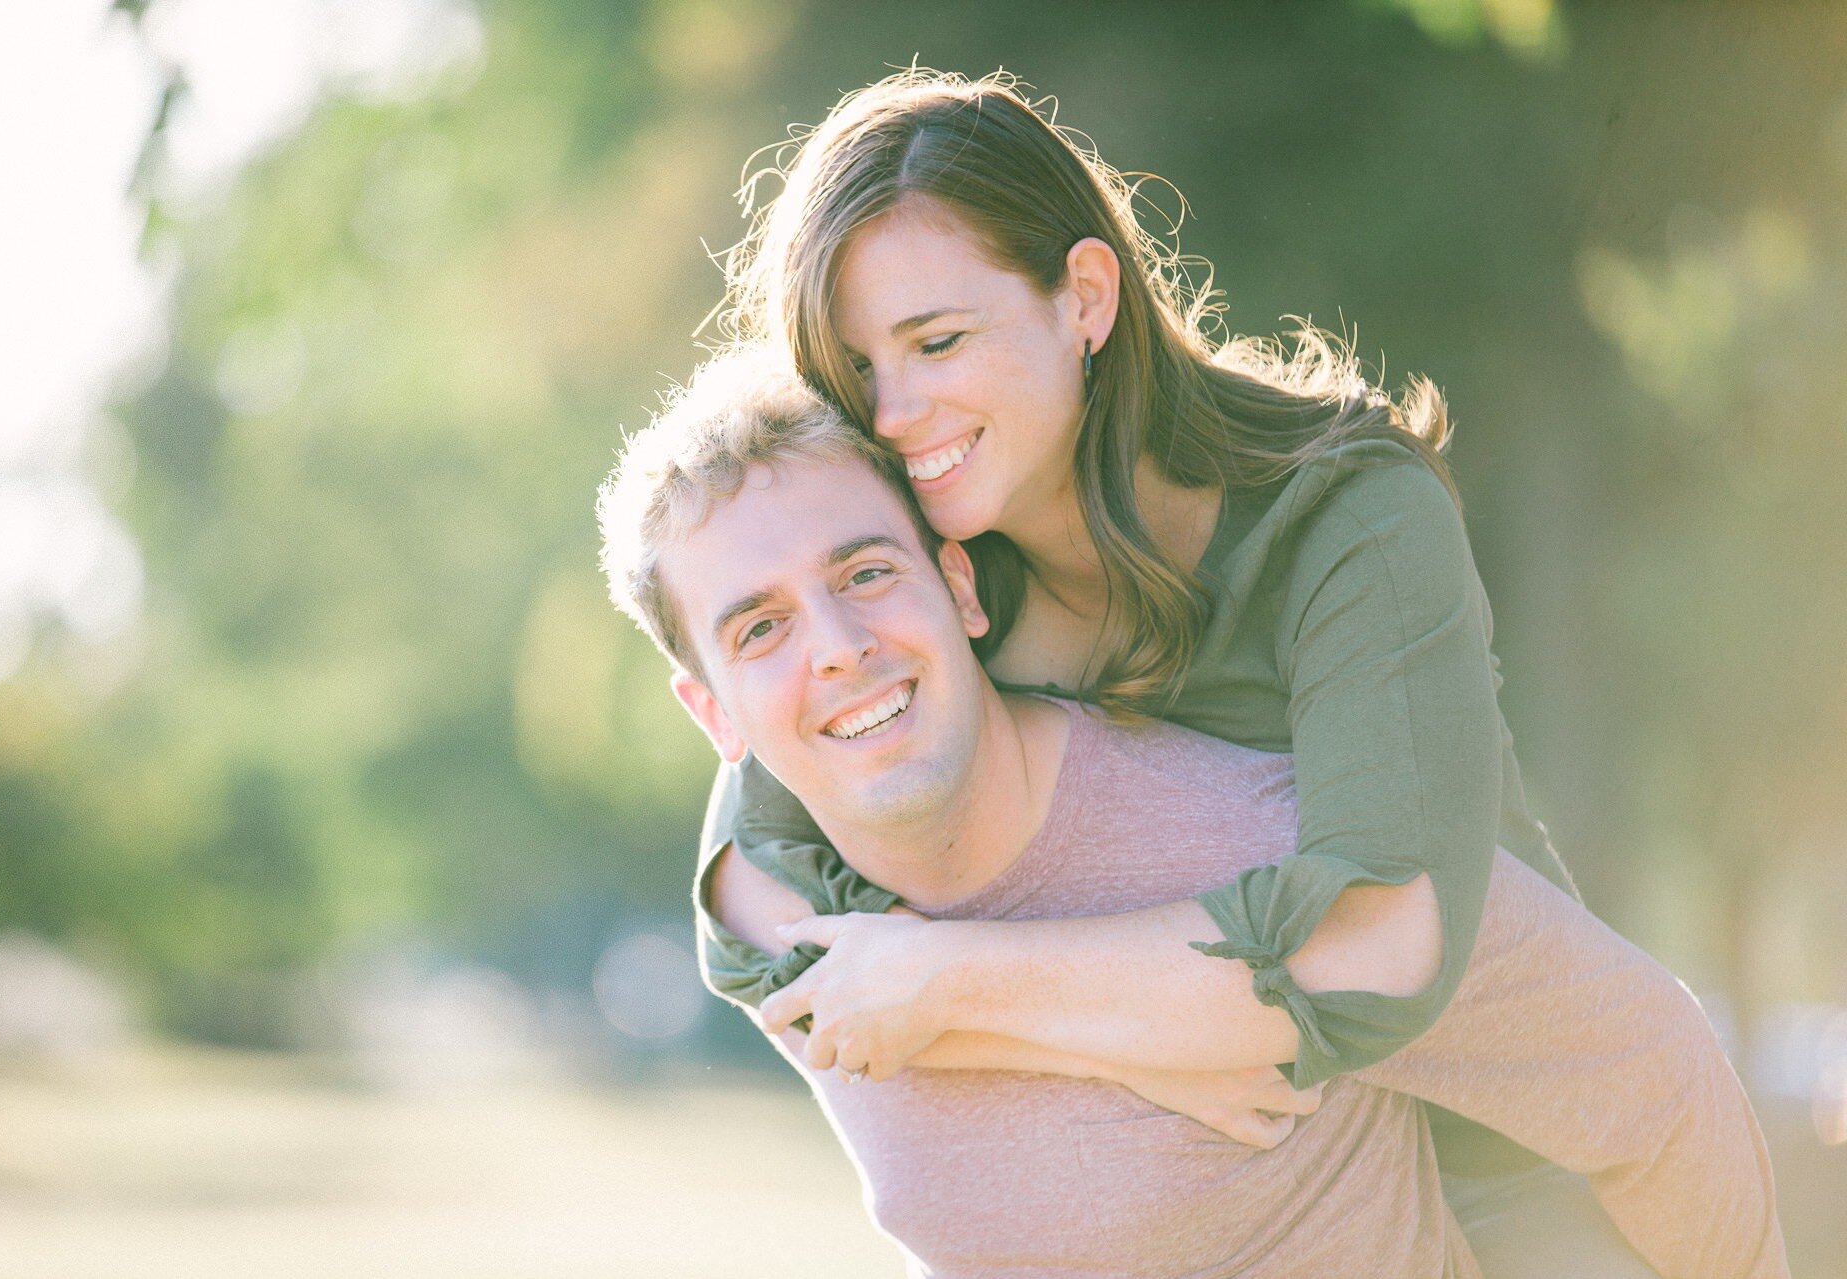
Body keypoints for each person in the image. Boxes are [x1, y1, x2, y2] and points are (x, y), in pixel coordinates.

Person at [697, 68, 1719, 1272]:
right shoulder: (933, 571)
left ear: (1084, 297)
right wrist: (1113, 1044)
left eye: (937, 340)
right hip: (1236, 1188)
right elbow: (758, 902)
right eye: (856, 370)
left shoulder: (1346, 515)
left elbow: (1377, 946)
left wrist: (948, 979)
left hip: (1496, 1164)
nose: (898, 412)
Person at [593, 350, 1785, 1278]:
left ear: (957, 585)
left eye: (865, 574)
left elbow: (1654, 1067)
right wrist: (1103, 1031)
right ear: (715, 716)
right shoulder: (799, 925)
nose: (840, 650)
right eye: (762, 628)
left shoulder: (1259, 843)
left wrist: (1001, 989)